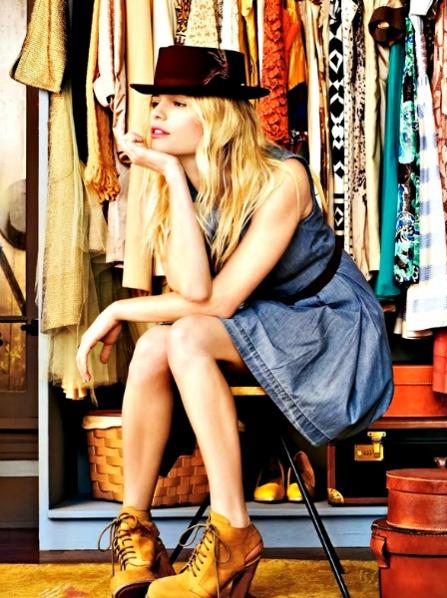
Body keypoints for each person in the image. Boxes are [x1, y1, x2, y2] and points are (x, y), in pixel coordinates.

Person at [76, 45, 393, 598]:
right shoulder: (180, 183)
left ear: (218, 116)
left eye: (178, 103)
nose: (157, 113)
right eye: (157, 101)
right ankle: (138, 532)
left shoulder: (283, 178)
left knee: (187, 337)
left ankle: (232, 534)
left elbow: (215, 304)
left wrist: (119, 308)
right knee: (152, 348)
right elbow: (195, 292)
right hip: (260, 319)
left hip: (329, 328)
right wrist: (172, 177)